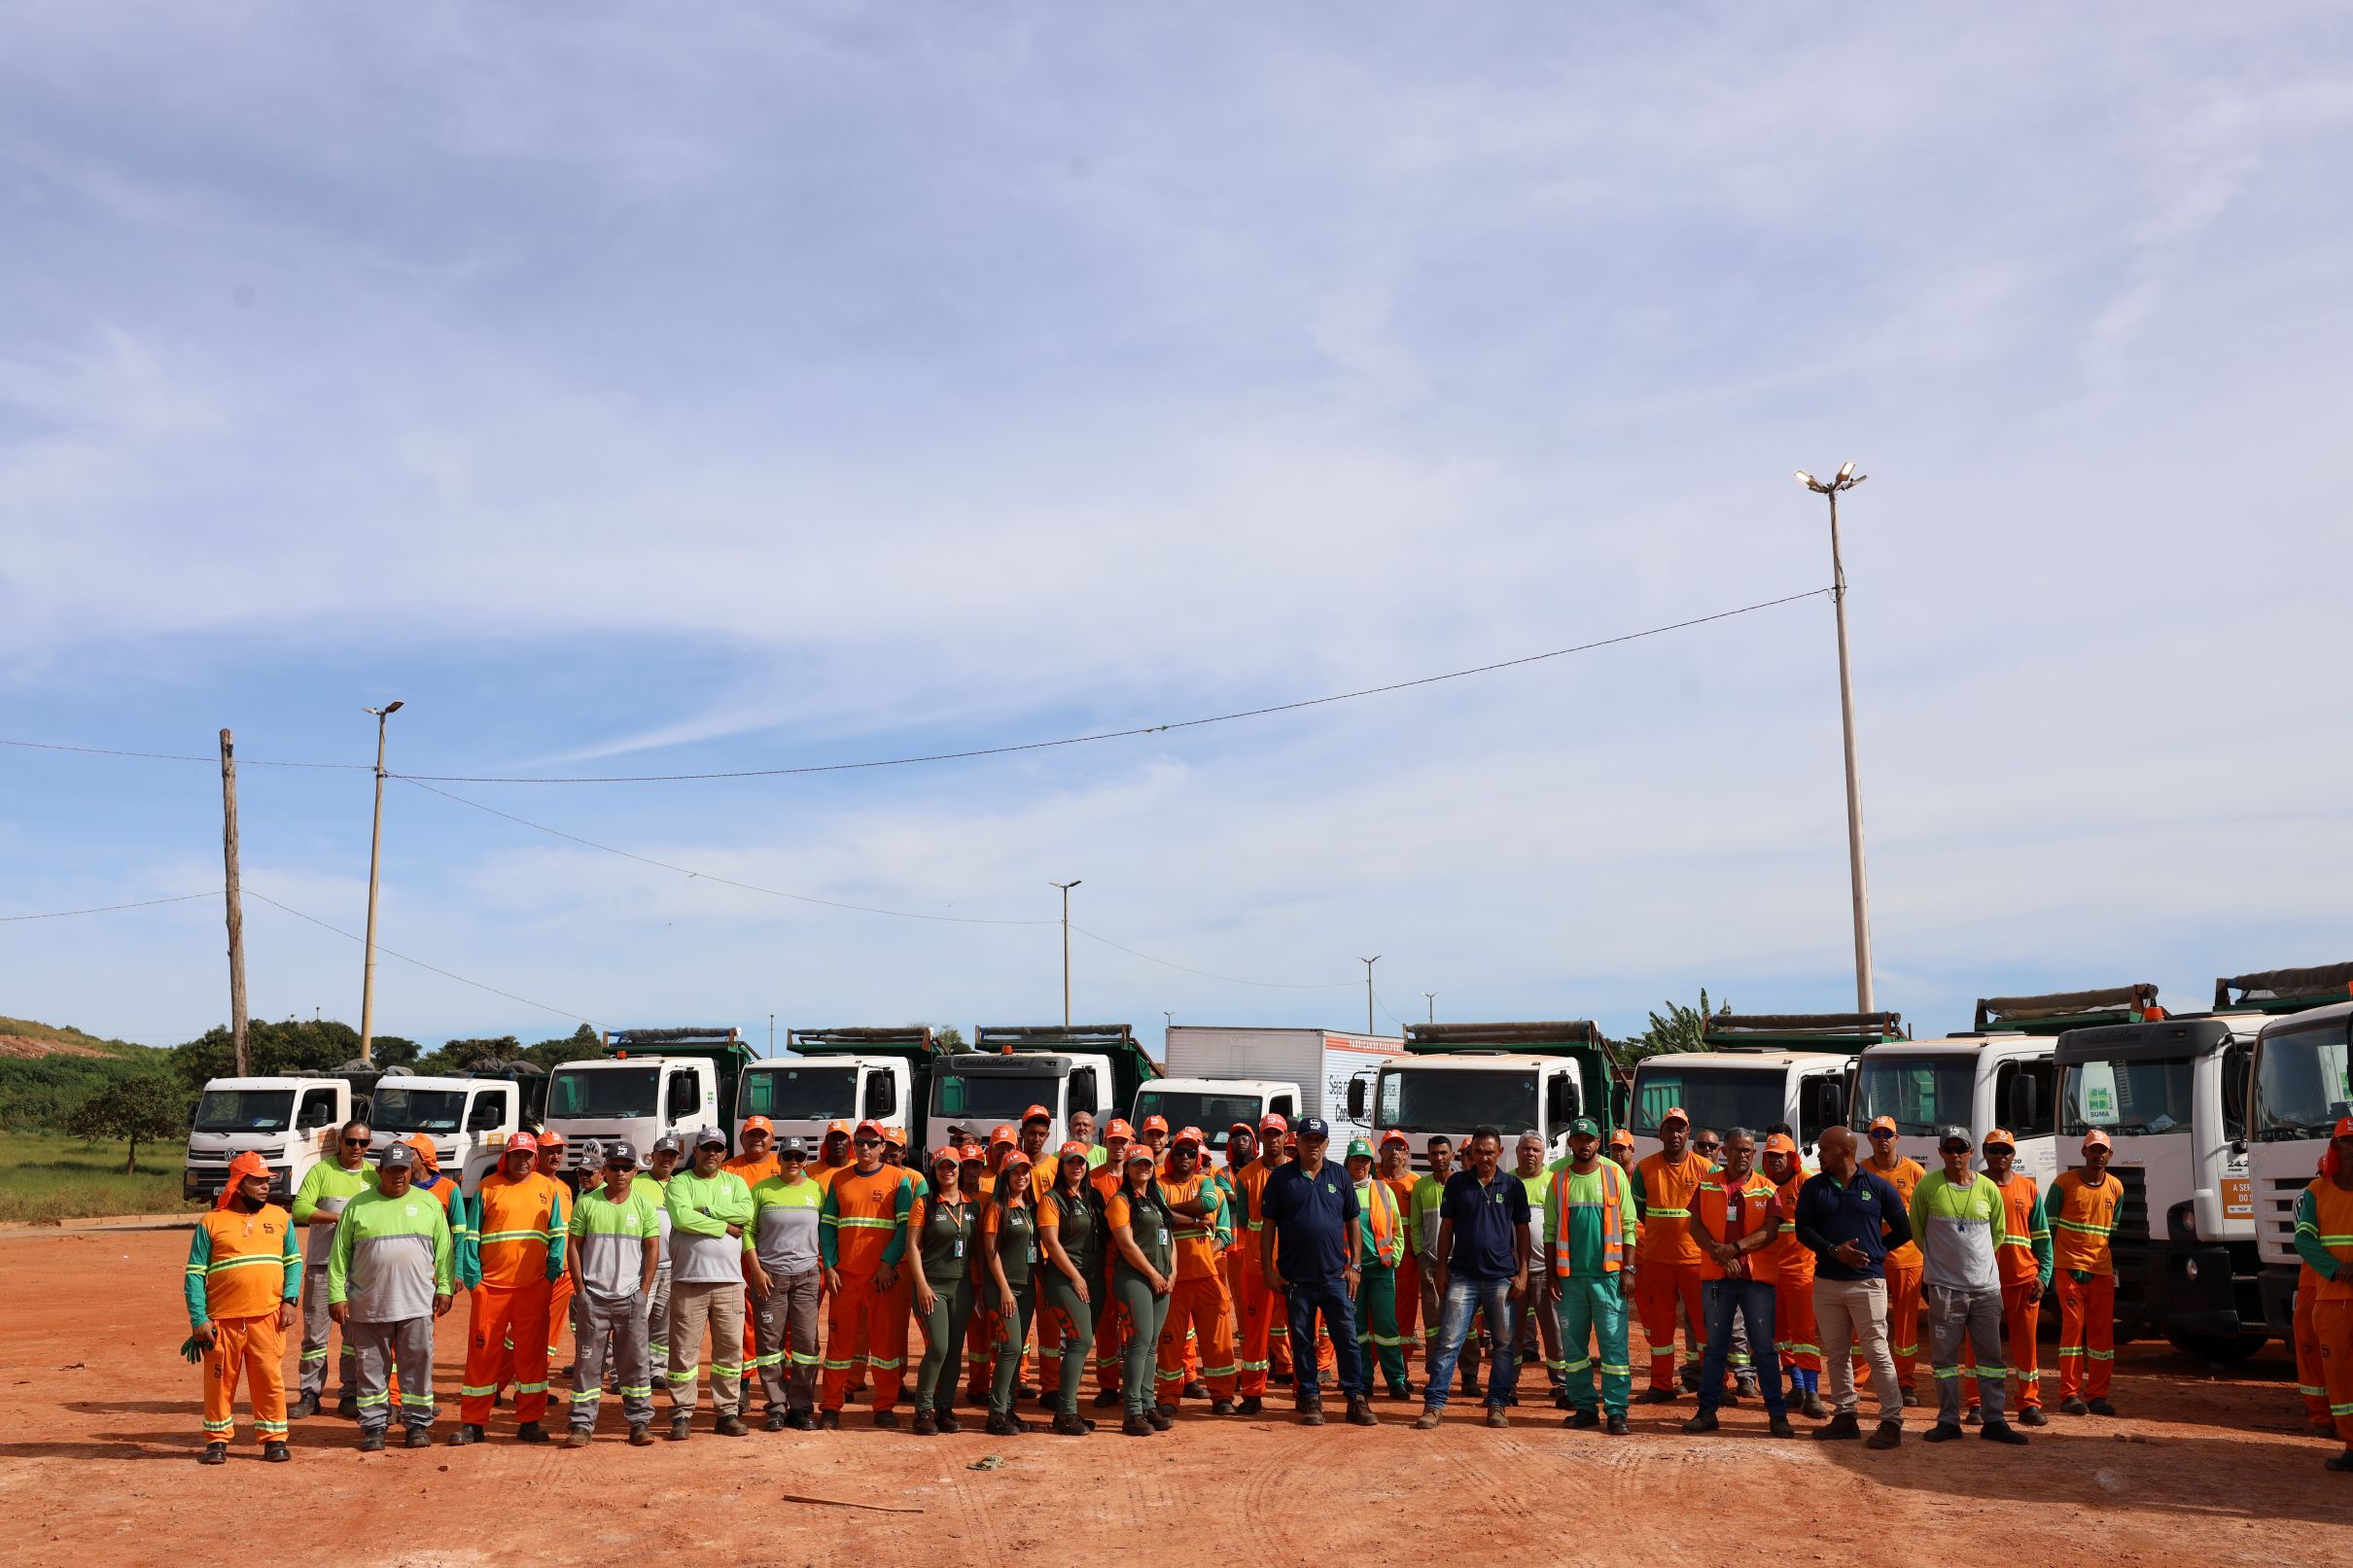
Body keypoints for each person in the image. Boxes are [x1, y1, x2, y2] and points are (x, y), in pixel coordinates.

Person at [329, 1140, 455, 1451]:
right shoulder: (357, 1206)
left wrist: (445, 1287)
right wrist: (336, 1295)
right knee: (371, 1370)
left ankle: (416, 1425)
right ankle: (374, 1427)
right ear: (379, 1171)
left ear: (411, 1171)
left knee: (417, 1367)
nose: (398, 1176)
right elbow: (339, 1257)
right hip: (369, 1305)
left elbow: (444, 1252)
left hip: (416, 1303)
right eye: (392, 1170)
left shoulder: (428, 1204)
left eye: (404, 1170)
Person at [1794, 1126, 1909, 1448]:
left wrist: (1875, 1252)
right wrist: (1834, 1251)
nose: (1819, 1155)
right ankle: (1845, 1415)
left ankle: (1891, 1421)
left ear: (1845, 1151)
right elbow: (1803, 1230)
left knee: (1877, 1351)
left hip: (1867, 1282)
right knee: (1836, 1353)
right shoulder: (1815, 1187)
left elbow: (1903, 1230)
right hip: (1827, 1282)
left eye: (1825, 1149)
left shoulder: (1877, 1187)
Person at [1909, 1125, 2023, 1446]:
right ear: (1941, 1152)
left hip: (1985, 1289)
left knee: (1991, 1358)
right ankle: (1948, 1420)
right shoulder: (1928, 1187)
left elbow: (1997, 1234)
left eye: (1962, 1149)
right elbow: (1918, 1232)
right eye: (1950, 1149)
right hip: (1945, 1289)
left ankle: (1994, 1420)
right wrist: (1941, 1267)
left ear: (1972, 1152)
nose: (1956, 1154)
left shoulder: (1987, 1189)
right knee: (1944, 1361)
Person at [186, 1150, 300, 1463]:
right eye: (257, 1181)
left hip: (268, 1318)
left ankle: (274, 1439)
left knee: (270, 1381)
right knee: (219, 1383)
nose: (265, 1187)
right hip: (223, 1323)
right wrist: (199, 1318)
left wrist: (290, 1301)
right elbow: (195, 1274)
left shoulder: (280, 1218)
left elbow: (293, 1262)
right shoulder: (211, 1222)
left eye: (267, 1181)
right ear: (238, 1183)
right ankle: (217, 1442)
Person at [453, 1132, 567, 1446]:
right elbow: (471, 1235)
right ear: (507, 1157)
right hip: (491, 1288)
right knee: (482, 1356)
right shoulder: (488, 1187)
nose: (523, 1161)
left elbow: (558, 1234)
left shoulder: (548, 1188)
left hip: (533, 1288)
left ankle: (529, 1421)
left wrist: (550, 1275)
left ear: (535, 1158)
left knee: (531, 1359)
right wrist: (474, 1280)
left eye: (528, 1155)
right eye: (517, 1155)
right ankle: (473, 1423)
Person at [1680, 1130, 1794, 1437]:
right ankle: (1707, 1412)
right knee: (1715, 1345)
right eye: (1735, 1150)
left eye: (1747, 1150)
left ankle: (1777, 1415)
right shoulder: (1706, 1186)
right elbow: (1695, 1226)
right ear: (1723, 1152)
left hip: (1756, 1280)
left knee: (1764, 1349)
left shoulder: (1767, 1189)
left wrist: (1736, 1248)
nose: (1741, 1155)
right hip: (1718, 1279)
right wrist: (1720, 1254)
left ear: (1754, 1155)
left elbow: (1770, 1231)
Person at [1263, 1118, 1375, 1428]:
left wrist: (1355, 1266)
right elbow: (1269, 1226)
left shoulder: (1338, 1174)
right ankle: (1310, 1396)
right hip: (1295, 1278)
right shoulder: (1282, 1178)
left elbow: (1353, 1221)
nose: (1314, 1144)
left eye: (1319, 1139)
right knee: (1302, 1340)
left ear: (1326, 1143)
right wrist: (1268, 1269)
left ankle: (1355, 1397)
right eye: (1308, 1138)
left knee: (1347, 1338)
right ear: (1296, 1142)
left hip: (1335, 1277)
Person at [1419, 1126, 1528, 1430]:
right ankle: (1435, 1405)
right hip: (1463, 1276)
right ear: (1469, 1154)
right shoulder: (1458, 1185)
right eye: (1477, 1152)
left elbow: (1521, 1232)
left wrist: (1521, 1273)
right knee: (1448, 1341)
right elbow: (1446, 1229)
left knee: (1503, 1345)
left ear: (1499, 1153)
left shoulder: (1512, 1186)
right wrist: (1442, 1268)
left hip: (1501, 1277)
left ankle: (1497, 1405)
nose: (1484, 1157)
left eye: (1489, 1152)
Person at [562, 1140, 659, 1446]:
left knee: (635, 1363)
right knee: (588, 1364)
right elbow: (574, 1247)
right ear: (605, 1170)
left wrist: (643, 1291)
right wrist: (581, 1291)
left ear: (635, 1170)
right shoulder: (588, 1203)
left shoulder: (644, 1205)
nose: (620, 1173)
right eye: (614, 1167)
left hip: (630, 1299)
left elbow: (653, 1247)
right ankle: (581, 1425)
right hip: (595, 1299)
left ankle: (640, 1423)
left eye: (626, 1168)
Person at [1541, 1119, 1633, 1434]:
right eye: (1578, 1139)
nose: (1584, 1144)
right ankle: (1584, 1407)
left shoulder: (1614, 1174)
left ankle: (1617, 1411)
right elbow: (1550, 1231)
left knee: (1614, 1348)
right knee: (1575, 1350)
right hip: (1570, 1279)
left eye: (1589, 1139)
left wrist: (1629, 1269)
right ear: (1571, 1144)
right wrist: (1553, 1276)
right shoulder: (1559, 1179)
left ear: (1599, 1142)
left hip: (1607, 1277)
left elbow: (1630, 1225)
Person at [820, 1119, 914, 1428]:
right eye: (859, 1142)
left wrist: (888, 1264)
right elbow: (828, 1225)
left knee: (885, 1348)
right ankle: (831, 1407)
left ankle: (884, 1406)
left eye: (871, 1143)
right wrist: (830, 1265)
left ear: (882, 1148)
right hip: (846, 1279)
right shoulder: (839, 1179)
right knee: (838, 1346)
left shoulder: (898, 1180)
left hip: (881, 1279)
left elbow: (904, 1228)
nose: (864, 1148)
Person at [664, 1127, 755, 1440]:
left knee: (730, 1352)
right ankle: (681, 1413)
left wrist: (710, 1212)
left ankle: (727, 1412)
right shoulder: (680, 1183)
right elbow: (681, 1219)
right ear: (695, 1151)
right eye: (706, 1148)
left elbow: (746, 1212)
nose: (711, 1153)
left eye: (717, 1148)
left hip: (730, 1282)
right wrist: (724, 1228)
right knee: (683, 1352)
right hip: (689, 1279)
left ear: (725, 1153)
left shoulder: (736, 1182)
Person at [289, 1118, 376, 1418]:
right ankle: (309, 1394)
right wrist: (337, 1218)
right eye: (350, 1141)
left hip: (359, 1270)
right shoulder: (322, 1171)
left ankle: (350, 1394)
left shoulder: (374, 1176)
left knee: (354, 1336)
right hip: (323, 1266)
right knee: (315, 1335)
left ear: (369, 1145)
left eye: (363, 1143)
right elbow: (299, 1209)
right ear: (340, 1142)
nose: (356, 1147)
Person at [1965, 1129, 2052, 1426]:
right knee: (1976, 1346)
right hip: (1981, 1281)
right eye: (1993, 1150)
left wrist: (2044, 1276)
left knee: (2026, 1345)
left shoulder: (2029, 1189)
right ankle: (1976, 1403)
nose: (2000, 1156)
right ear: (1983, 1152)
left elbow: (2042, 1238)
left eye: (2006, 1151)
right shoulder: (1971, 1185)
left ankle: (2028, 1402)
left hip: (2022, 1280)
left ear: (2014, 1155)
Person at [1155, 1128, 1240, 1416]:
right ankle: (1168, 1397)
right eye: (1181, 1152)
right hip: (1172, 1279)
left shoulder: (1208, 1184)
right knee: (1170, 1342)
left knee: (1217, 1342)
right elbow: (1154, 1218)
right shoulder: (1158, 1185)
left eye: (1192, 1153)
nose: (1187, 1157)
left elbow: (1216, 1220)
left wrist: (1170, 1213)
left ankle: (1223, 1397)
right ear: (1172, 1155)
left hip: (1207, 1277)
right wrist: (1191, 1219)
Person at [745, 1134, 825, 1432]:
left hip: (806, 1277)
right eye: (788, 1156)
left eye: (799, 1157)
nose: (794, 1162)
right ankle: (776, 1407)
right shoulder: (762, 1189)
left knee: (806, 1344)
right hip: (770, 1277)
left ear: (806, 1162)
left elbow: (824, 1233)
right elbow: (748, 1232)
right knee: (769, 1344)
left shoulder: (816, 1190)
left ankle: (801, 1408)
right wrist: (756, 1269)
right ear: (778, 1159)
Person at [1633, 1108, 1711, 1403]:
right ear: (1660, 1134)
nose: (1675, 1135)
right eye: (1669, 1129)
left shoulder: (1706, 1169)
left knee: (1704, 1325)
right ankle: (1661, 1385)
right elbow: (1639, 1210)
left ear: (1688, 1134)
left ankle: (1713, 1383)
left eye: (1681, 1129)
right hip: (1658, 1260)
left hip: (1696, 1260)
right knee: (1660, 1328)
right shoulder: (1644, 1168)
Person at [2049, 1128, 2125, 1415]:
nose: (2098, 1155)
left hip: (2101, 1271)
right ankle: (2069, 1394)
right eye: (2093, 1149)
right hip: (2069, 1270)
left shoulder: (2116, 1188)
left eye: (2102, 1150)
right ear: (2083, 1152)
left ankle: (2097, 1395)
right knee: (2072, 1332)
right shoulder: (2064, 1184)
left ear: (2110, 1154)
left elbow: (2110, 1230)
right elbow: (2050, 1228)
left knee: (2102, 1338)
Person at [2293, 1117, 2353, 1472]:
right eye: (2347, 1143)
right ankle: (2350, 1442)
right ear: (2336, 1148)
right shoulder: (2317, 1191)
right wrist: (2334, 1268)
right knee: (2340, 1376)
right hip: (2332, 1299)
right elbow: (2303, 1239)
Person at [910, 1145, 980, 1435]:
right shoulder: (924, 1203)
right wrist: (922, 1284)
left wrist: (979, 1288)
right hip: (933, 1285)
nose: (947, 1171)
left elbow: (978, 1253)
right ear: (934, 1171)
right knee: (938, 1347)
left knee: (954, 1351)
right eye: (941, 1167)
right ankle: (922, 1410)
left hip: (962, 1287)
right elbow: (912, 1247)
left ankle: (944, 1409)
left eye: (952, 1166)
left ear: (960, 1169)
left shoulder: (973, 1205)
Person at [1107, 1143, 1176, 1436]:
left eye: (1147, 1163)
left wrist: (1172, 1272)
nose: (1144, 1168)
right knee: (1138, 1343)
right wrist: (1152, 1273)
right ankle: (1132, 1412)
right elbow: (1126, 1244)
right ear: (1128, 1168)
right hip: (1134, 1278)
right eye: (1137, 1164)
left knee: (1150, 1345)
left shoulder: (1156, 1198)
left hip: (1161, 1279)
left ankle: (1148, 1404)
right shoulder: (1121, 1200)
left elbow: (1169, 1238)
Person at [1756, 1133, 1825, 1418]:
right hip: (1771, 1275)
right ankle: (1797, 1386)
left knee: (1804, 1335)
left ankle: (1812, 1392)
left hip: (1801, 1273)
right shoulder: (1763, 1185)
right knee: (1780, 1336)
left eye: (1781, 1155)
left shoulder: (1806, 1183)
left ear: (1792, 1156)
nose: (1776, 1160)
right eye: (1771, 1155)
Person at [1036, 1140, 1102, 1436]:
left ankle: (1067, 1410)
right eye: (1070, 1162)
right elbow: (1050, 1242)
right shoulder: (1052, 1198)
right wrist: (1075, 1276)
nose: (1076, 1166)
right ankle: (1065, 1413)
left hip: (1093, 1278)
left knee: (1082, 1342)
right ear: (1061, 1166)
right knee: (1080, 1341)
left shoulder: (1093, 1197)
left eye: (1081, 1162)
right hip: (1065, 1278)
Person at [1228, 1112, 1291, 1414]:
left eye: (1277, 1134)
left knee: (1298, 1328)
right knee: (1255, 1331)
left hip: (1293, 1264)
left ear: (1286, 1136)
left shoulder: (1298, 1172)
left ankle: (1304, 1391)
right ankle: (1253, 1393)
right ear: (1261, 1138)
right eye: (1268, 1134)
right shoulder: (1246, 1177)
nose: (1273, 1139)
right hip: (1257, 1265)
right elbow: (1244, 1222)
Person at [1862, 1115, 1927, 1404]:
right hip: (1870, 1258)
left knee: (1904, 1324)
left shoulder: (1914, 1172)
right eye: (1877, 1134)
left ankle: (1906, 1382)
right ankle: (1859, 1380)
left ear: (1897, 1138)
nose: (1882, 1139)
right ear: (1870, 1139)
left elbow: (1926, 1215)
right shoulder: (1860, 1171)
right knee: (1865, 1321)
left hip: (1908, 1258)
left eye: (1888, 1133)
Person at [980, 1147, 1043, 1435]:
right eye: (1015, 1172)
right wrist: (1004, 1288)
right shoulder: (997, 1208)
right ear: (1004, 1176)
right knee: (1011, 1348)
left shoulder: (1030, 1208)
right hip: (1003, 1289)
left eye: (1025, 1171)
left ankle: (1009, 1408)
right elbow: (991, 1253)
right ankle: (995, 1414)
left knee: (1017, 1352)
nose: (1021, 1177)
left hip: (1027, 1288)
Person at [1345, 1138, 1411, 1399]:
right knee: (1357, 1329)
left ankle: (1396, 1380)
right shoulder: (1340, 1190)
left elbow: (1397, 1227)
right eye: (1355, 1159)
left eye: (1364, 1160)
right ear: (1348, 1162)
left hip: (1381, 1271)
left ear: (1372, 1164)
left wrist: (1394, 1258)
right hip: (1352, 1274)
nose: (1360, 1164)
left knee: (1387, 1328)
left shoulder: (1383, 1190)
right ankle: (1363, 1380)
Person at [1509, 1132, 1566, 1403]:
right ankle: (1507, 1386)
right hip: (1512, 1273)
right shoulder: (1506, 1182)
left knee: (1554, 1332)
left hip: (1547, 1272)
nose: (1530, 1154)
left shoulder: (1554, 1183)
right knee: (1511, 1335)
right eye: (1526, 1149)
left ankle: (1563, 1386)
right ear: (1517, 1151)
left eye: (1536, 1150)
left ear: (1544, 1154)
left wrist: (1558, 1272)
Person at [1409, 1136, 1457, 1387]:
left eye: (1443, 1153)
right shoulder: (1421, 1186)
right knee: (1433, 1319)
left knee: (1465, 1320)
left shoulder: (1461, 1184)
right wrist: (1420, 1254)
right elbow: (1415, 1225)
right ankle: (1434, 1367)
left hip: (1459, 1262)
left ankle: (1468, 1374)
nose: (1438, 1157)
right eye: (1434, 1153)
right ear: (1427, 1156)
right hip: (1429, 1261)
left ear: (1452, 1155)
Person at [639, 1134, 682, 1395]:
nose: (667, 1158)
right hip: (644, 1266)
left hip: (673, 1266)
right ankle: (628, 1370)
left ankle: (656, 1370)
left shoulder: (681, 1185)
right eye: (663, 1154)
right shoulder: (637, 1183)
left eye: (672, 1155)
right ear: (652, 1156)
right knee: (637, 1319)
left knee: (663, 1322)